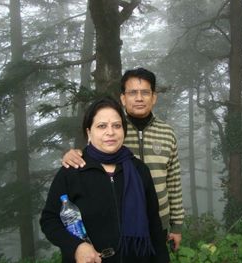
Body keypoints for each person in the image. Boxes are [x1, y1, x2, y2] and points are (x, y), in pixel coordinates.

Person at [62, 68, 185, 251]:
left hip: (158, 221)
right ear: (122, 98)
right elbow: (88, 153)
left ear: (154, 97)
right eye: (132, 92)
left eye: (145, 92)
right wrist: (71, 154)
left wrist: (177, 225)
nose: (139, 98)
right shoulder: (113, 130)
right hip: (120, 222)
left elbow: (174, 182)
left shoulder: (167, 133)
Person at [40, 96, 169, 263]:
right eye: (102, 126)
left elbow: (154, 226)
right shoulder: (72, 171)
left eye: (116, 125)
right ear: (89, 132)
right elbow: (49, 220)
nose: (110, 132)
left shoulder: (139, 170)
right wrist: (76, 246)